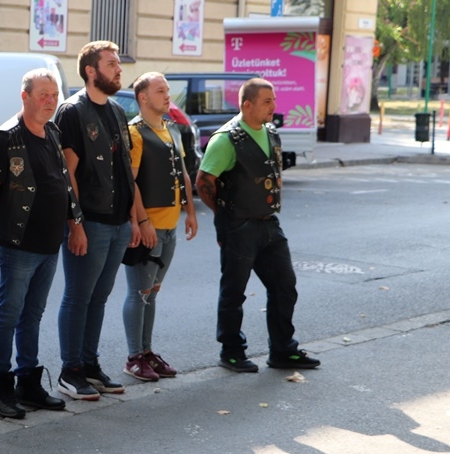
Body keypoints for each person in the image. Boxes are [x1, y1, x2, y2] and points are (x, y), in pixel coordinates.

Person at [196, 77, 320, 373]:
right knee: (234, 292)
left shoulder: (271, 132)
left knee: (284, 286)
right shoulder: (226, 140)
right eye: (267, 101)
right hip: (239, 226)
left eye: (273, 100)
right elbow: (203, 182)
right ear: (247, 105)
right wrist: (225, 218)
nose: (273, 106)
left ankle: (283, 350)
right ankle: (231, 351)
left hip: (269, 224)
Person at [0, 69, 80, 418]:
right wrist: (4, 231)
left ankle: (29, 383)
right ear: (25, 96)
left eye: (54, 95)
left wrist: (75, 225)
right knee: (9, 315)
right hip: (19, 247)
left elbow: (64, 183)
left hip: (50, 244)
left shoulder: (52, 131)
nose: (50, 101)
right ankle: (1, 388)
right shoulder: (4, 139)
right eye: (43, 94)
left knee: (32, 315)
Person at [53, 41, 138, 401]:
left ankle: (89, 364)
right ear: (91, 71)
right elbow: (68, 173)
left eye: (118, 63)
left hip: (118, 222)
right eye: (112, 64)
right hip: (90, 222)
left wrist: (134, 219)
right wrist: (75, 224)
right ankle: (70, 371)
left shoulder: (117, 110)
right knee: (78, 296)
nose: (119, 69)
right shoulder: (72, 112)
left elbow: (125, 170)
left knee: (99, 297)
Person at [121, 72, 198, 381]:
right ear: (143, 97)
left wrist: (190, 212)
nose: (168, 96)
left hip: (170, 227)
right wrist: (141, 222)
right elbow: (131, 182)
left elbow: (183, 173)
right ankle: (133, 357)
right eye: (160, 91)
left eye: (168, 91)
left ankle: (147, 351)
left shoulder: (171, 129)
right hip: (149, 227)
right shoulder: (135, 133)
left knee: (152, 293)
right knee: (139, 293)